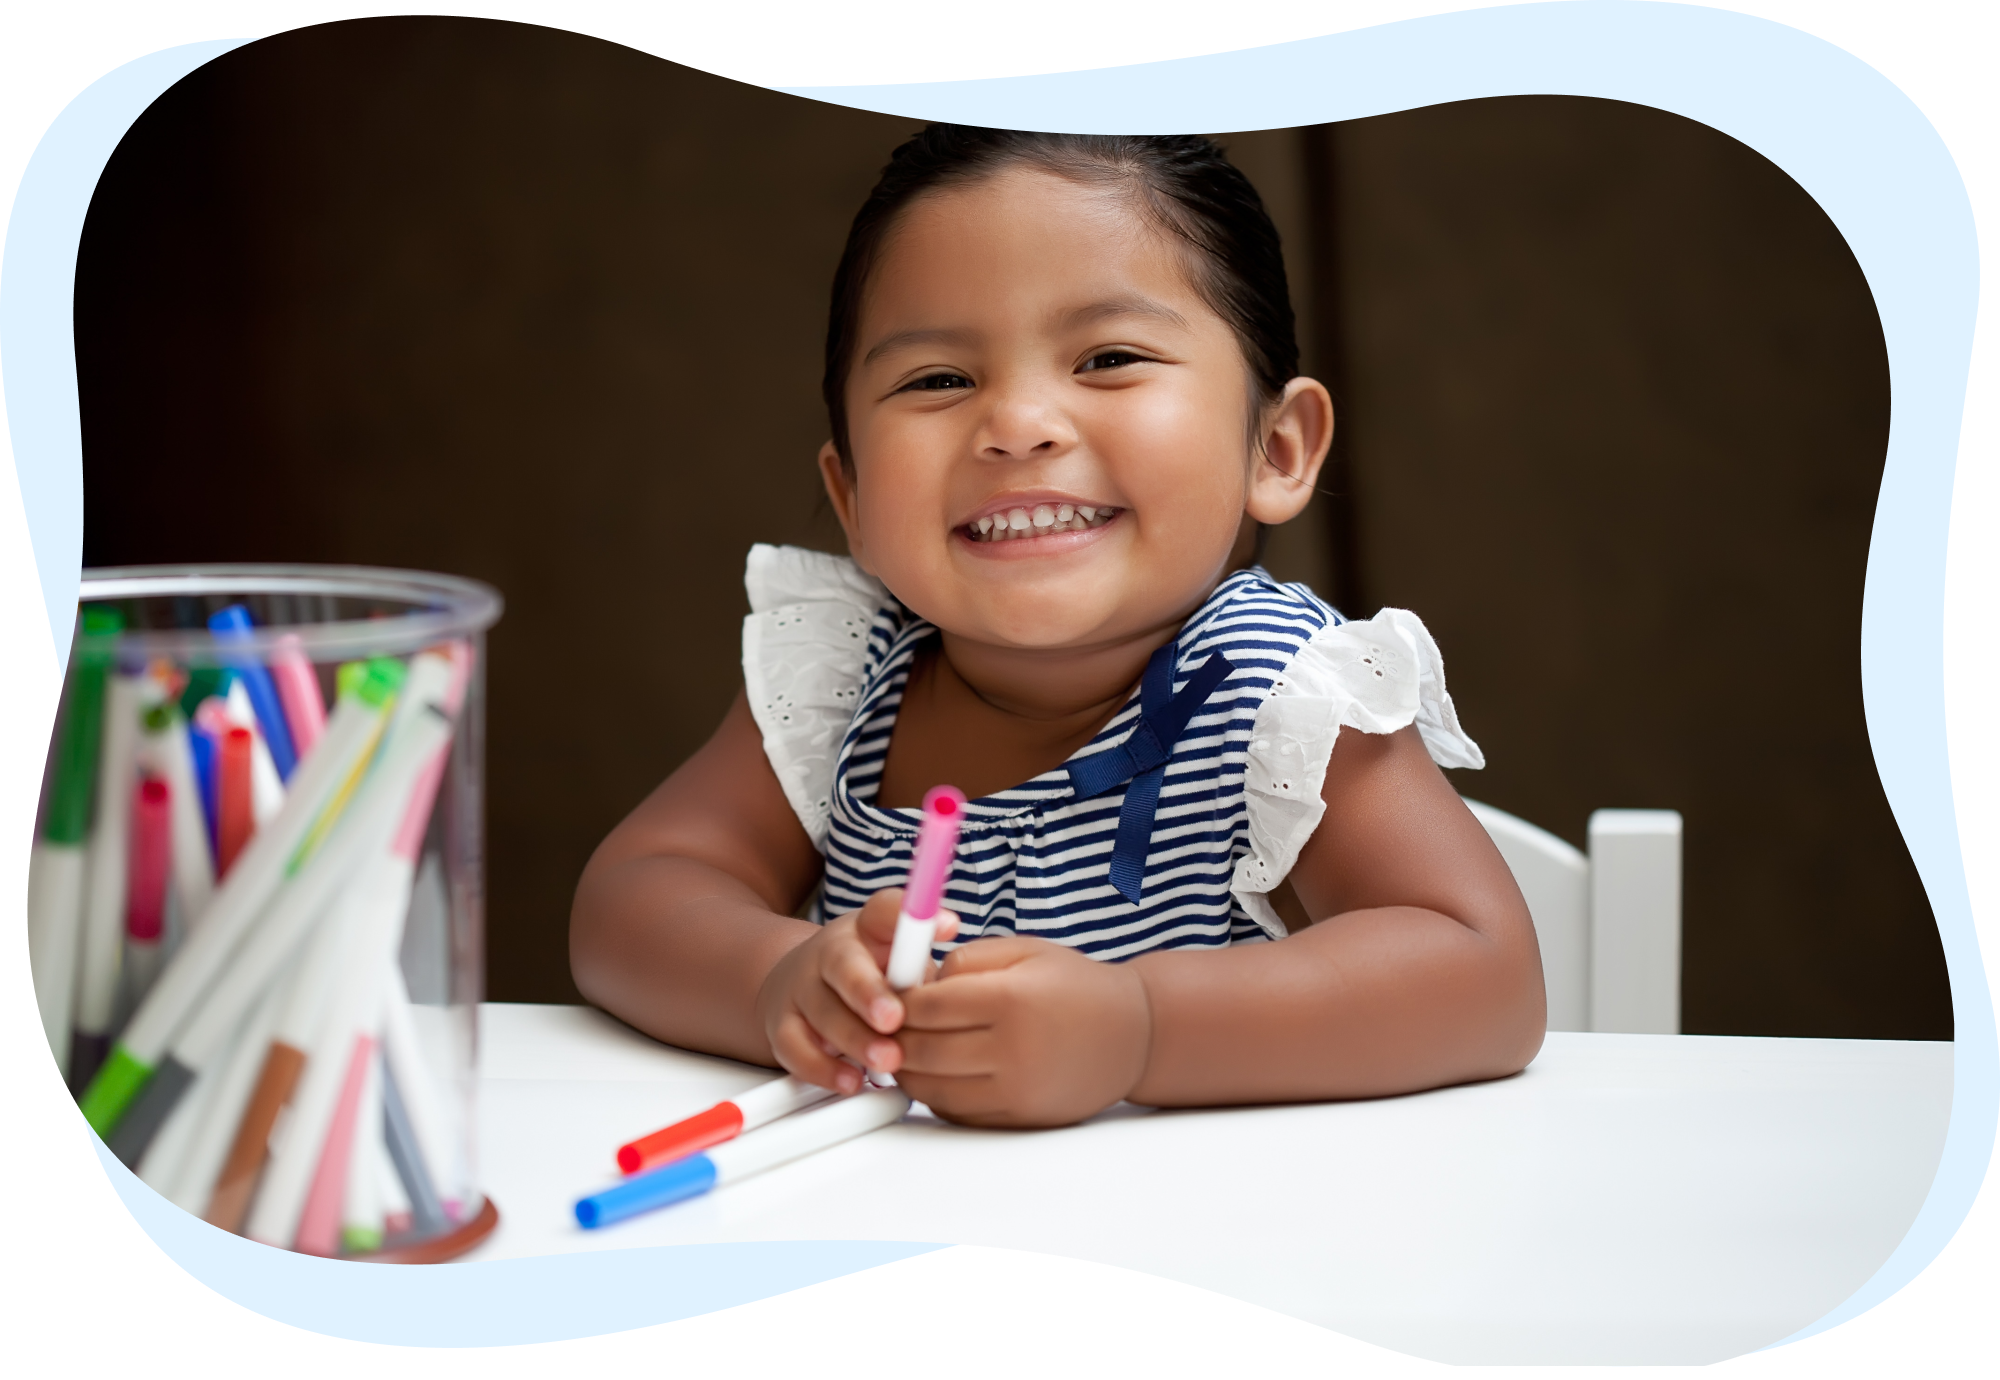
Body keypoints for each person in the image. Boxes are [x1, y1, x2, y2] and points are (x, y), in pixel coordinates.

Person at [571, 126, 1545, 1129]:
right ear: (851, 494)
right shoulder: (843, 682)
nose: (1018, 422)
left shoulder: (1280, 700)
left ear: (1277, 447)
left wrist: (1141, 1029)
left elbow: (1483, 973)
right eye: (938, 379)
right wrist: (776, 978)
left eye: (1108, 358)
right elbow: (632, 896)